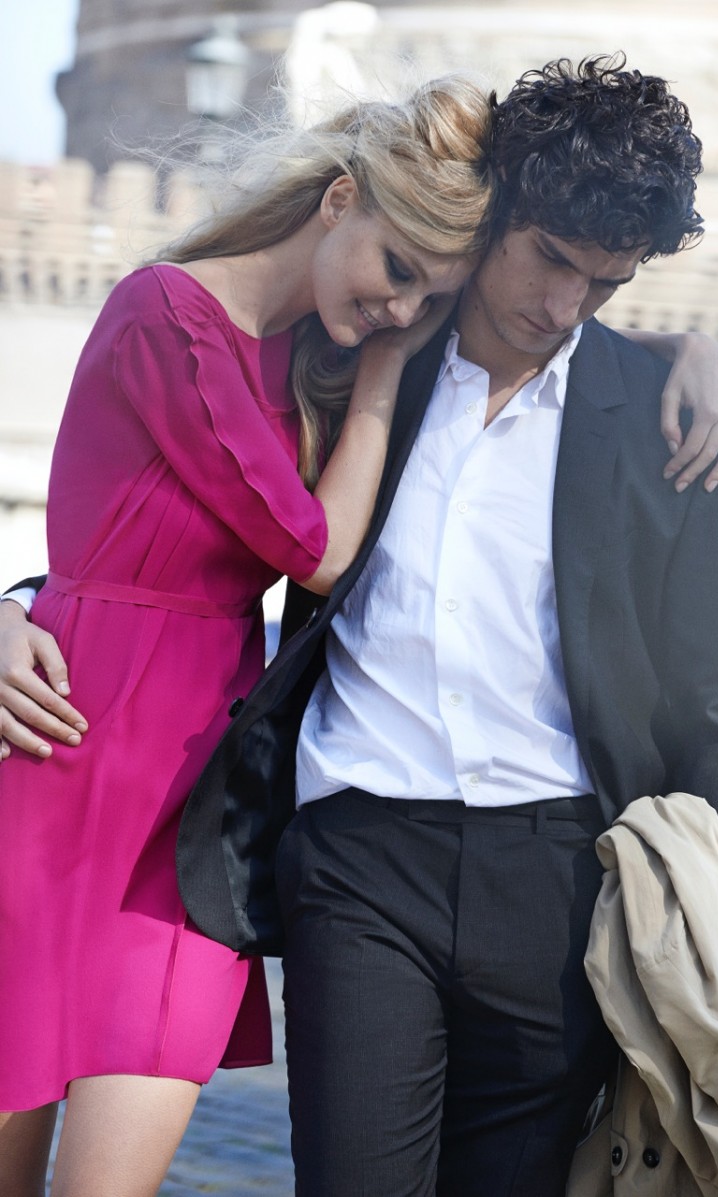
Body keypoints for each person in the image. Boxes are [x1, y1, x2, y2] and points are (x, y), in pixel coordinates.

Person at [0, 57, 718, 1195]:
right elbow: (154, 514)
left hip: (558, 883)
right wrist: (17, 602)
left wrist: (667, 913)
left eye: (605, 284)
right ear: (492, 219)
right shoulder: (354, 366)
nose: (564, 307)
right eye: (550, 258)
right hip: (352, 863)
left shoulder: (673, 427)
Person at [0, 76, 499, 1197]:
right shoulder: (165, 315)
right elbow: (312, 549)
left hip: (196, 828)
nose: (401, 312)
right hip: (59, 768)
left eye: (429, 299)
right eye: (398, 269)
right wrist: (9, 606)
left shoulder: (319, 366)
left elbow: (552, 346)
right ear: (339, 200)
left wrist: (690, 359)